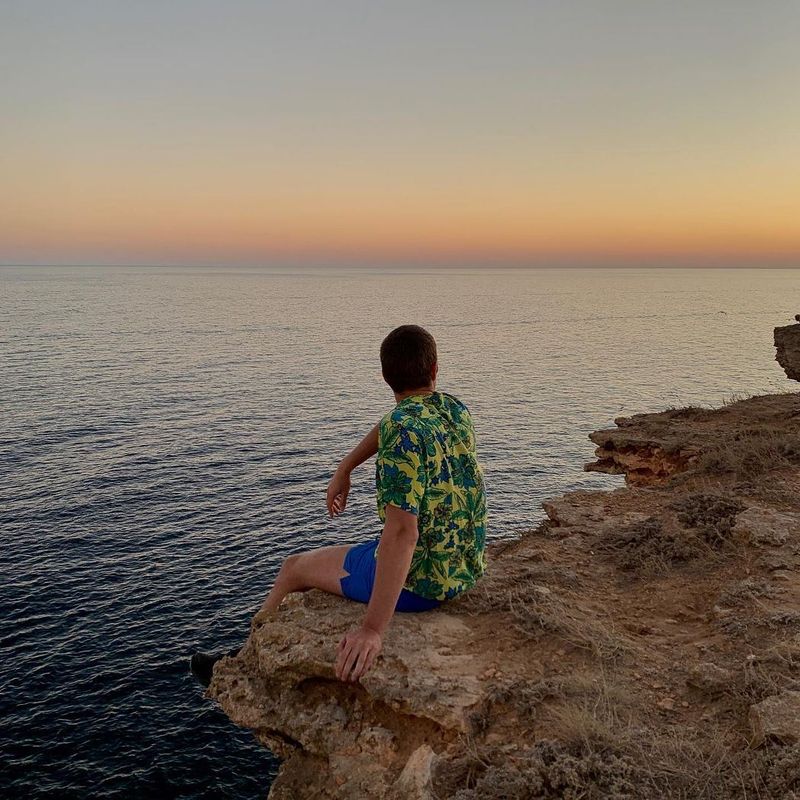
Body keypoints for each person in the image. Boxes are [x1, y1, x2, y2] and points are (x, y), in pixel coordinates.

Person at [190, 324, 487, 686]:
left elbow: (402, 533)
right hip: (463, 569)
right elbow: (393, 423)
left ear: (384, 376)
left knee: (293, 568)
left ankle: (241, 662)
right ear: (435, 370)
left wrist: (372, 630)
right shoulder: (454, 410)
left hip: (423, 585)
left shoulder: (402, 430)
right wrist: (345, 467)